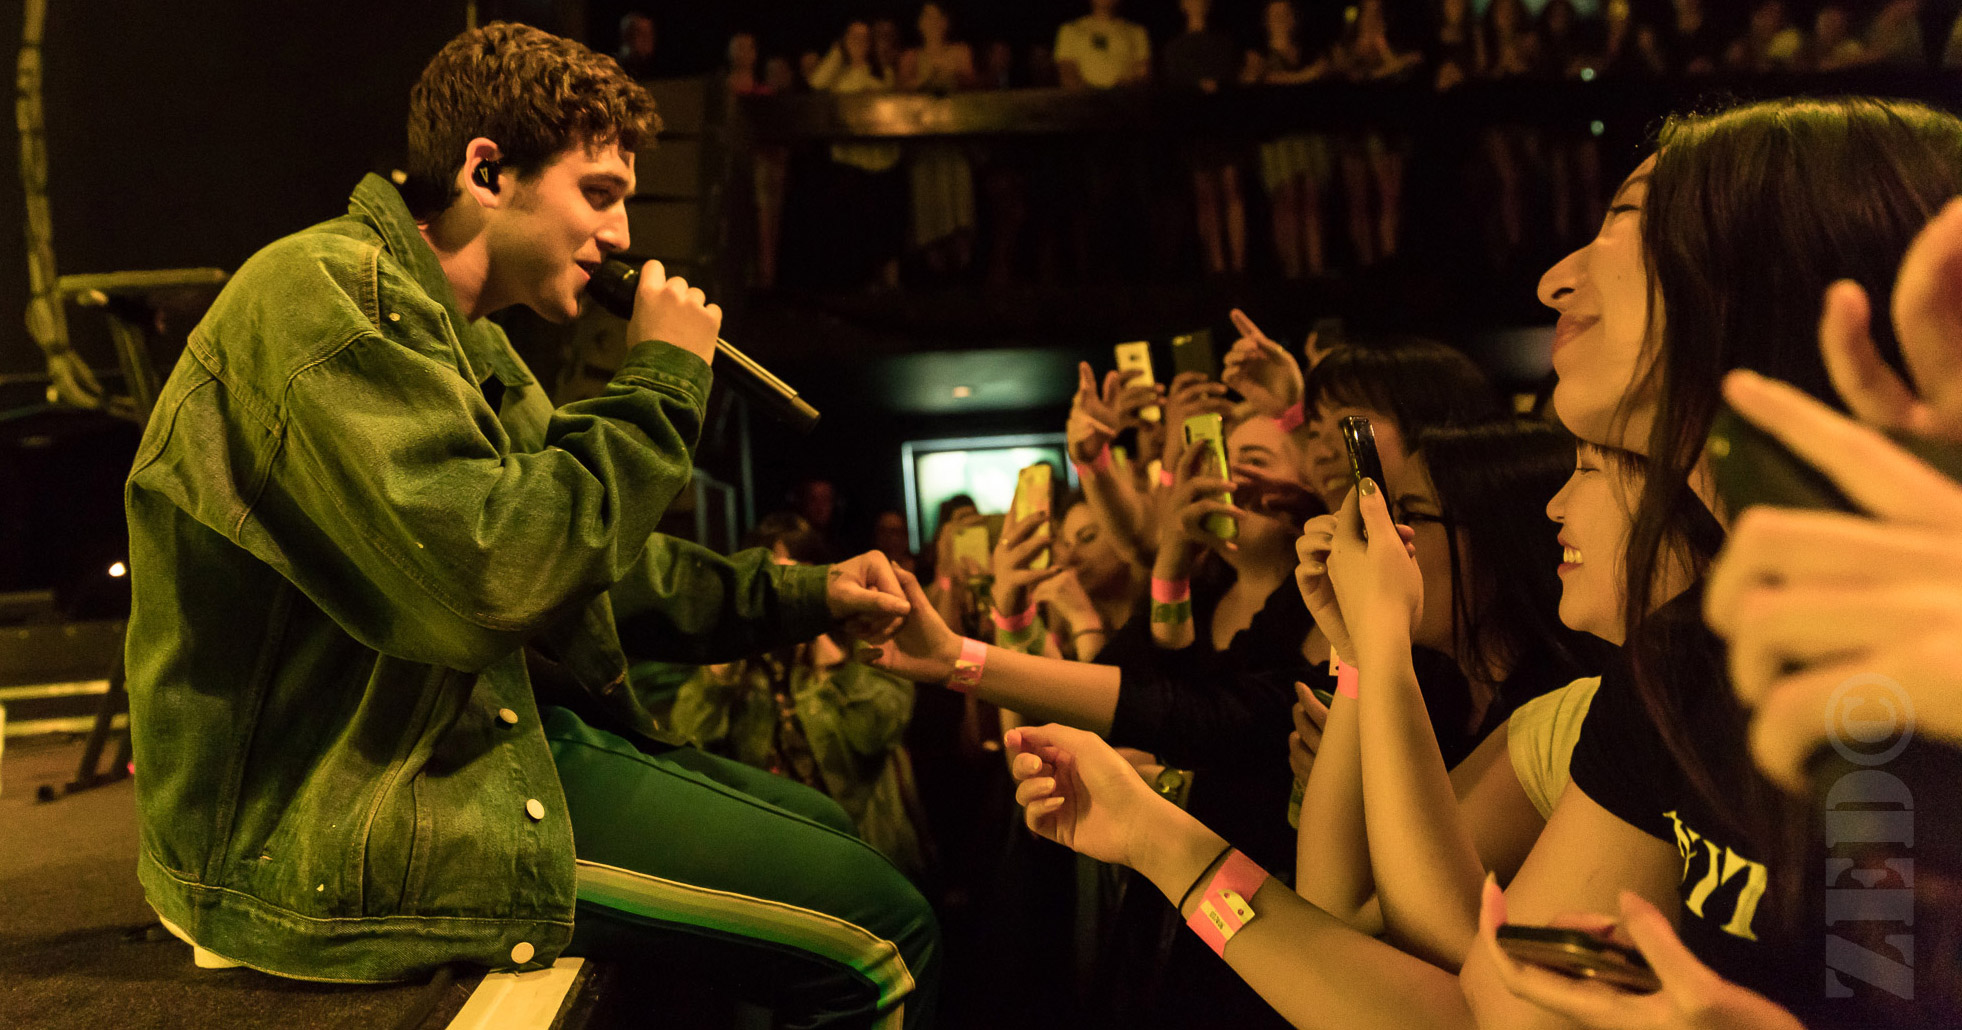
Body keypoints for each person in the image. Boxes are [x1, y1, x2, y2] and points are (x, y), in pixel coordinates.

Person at [1004, 95, 1962, 1029]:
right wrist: (1160, 844)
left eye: (1626, 216)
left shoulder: (1924, 650)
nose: (1554, 278)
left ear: (1783, 269)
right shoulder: (1681, 658)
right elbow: (1480, 1007)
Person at [123, 23, 937, 1028]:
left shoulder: (465, 338)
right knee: (880, 939)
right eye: (599, 193)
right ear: (488, 171)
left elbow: (591, 564)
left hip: (455, 742)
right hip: (340, 806)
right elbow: (500, 578)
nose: (624, 238)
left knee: (829, 831)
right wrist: (665, 378)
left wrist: (802, 593)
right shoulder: (326, 303)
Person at [672, 516, 926, 880]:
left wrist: (825, 645)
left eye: (797, 581)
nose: (786, 598)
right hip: (768, 856)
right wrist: (723, 667)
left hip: (861, 851)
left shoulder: (864, 645)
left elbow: (876, 734)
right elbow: (689, 746)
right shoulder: (740, 664)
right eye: (773, 583)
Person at [1245, 0, 1333, 279]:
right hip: (1277, 139)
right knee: (1285, 201)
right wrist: (1304, 77)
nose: (1281, 19)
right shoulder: (1257, 56)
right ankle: (1292, 272)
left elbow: (1325, 73)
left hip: (1309, 136)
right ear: (1266, 20)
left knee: (1310, 200)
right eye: (1275, 15)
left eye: (1286, 14)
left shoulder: (1309, 52)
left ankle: (1316, 270)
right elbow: (1255, 81)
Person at [1163, 0, 1247, 277]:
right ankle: (1217, 265)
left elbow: (1234, 78)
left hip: (1225, 126)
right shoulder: (1175, 47)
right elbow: (1174, 85)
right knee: (1206, 195)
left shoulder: (1224, 44)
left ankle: (1238, 262)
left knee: (1232, 189)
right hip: (1196, 129)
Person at [898, 3, 980, 276]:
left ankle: (962, 267)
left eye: (936, 16)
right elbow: (901, 90)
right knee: (927, 202)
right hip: (924, 144)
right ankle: (933, 270)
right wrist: (926, 81)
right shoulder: (911, 57)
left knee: (957, 199)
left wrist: (952, 75)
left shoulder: (960, 52)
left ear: (946, 22)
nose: (931, 22)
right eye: (926, 16)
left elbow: (971, 83)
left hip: (953, 142)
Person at [1054, 0, 1150, 90]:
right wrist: (1089, 97)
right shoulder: (1070, 30)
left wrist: (1123, 90)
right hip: (1082, 103)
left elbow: (1143, 74)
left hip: (1124, 102)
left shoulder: (1136, 32)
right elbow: (1067, 71)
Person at [617, 12, 658, 80]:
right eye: (643, 34)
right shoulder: (618, 69)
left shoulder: (656, 66)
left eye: (650, 34)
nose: (647, 40)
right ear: (627, 37)